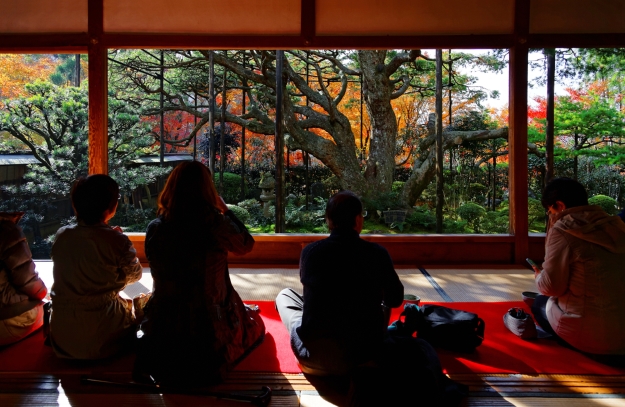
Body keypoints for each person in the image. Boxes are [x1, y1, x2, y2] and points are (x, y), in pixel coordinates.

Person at [134, 161, 264, 386]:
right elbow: (245, 245)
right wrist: (227, 211)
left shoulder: (156, 227)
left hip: (165, 322)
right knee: (256, 325)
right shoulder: (215, 223)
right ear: (207, 190)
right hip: (209, 326)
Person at [276, 190, 404, 376]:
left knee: (285, 297)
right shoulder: (376, 254)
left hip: (313, 357)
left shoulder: (311, 252)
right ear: (359, 220)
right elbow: (395, 299)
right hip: (365, 357)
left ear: (328, 220)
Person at [531, 177, 625, 362]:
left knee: (539, 303)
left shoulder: (564, 229)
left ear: (560, 205)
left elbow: (551, 287)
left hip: (591, 335)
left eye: (550, 211)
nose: (550, 216)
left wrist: (538, 276)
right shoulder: (616, 225)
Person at [50, 174, 143, 359]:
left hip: (63, 337)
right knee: (141, 307)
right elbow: (135, 275)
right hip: (106, 336)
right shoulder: (117, 241)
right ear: (111, 206)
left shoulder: (62, 236)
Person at [0, 211, 48, 346]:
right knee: (48, 310)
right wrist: (43, 294)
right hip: (6, 319)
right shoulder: (6, 231)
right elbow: (27, 281)